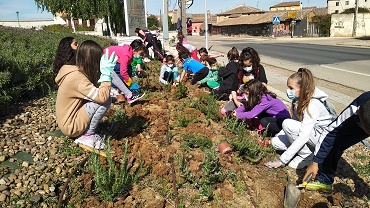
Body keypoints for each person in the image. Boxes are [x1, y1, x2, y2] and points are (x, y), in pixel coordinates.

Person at [265, 68, 334, 169]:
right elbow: (295, 123)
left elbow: (303, 135)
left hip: (321, 138)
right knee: (276, 143)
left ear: (303, 89)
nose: (288, 91)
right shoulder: (298, 101)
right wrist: (275, 137)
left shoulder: (312, 105)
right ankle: (305, 150)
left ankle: (307, 155)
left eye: (291, 88)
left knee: (287, 123)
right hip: (311, 135)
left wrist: (282, 160)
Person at [55, 40, 118, 149]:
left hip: (69, 119)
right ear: (92, 60)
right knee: (106, 99)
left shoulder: (75, 71)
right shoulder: (77, 78)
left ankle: (86, 131)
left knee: (104, 95)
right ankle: (87, 135)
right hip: (71, 126)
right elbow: (102, 97)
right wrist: (106, 75)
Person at [302, 92, 370, 191]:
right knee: (336, 141)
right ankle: (325, 179)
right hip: (358, 120)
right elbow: (330, 132)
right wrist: (315, 162)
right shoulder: (354, 110)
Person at [233, 80, 291, 144]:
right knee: (260, 113)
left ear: (254, 92)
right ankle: (264, 128)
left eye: (247, 93)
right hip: (275, 118)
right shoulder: (259, 97)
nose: (245, 95)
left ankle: (277, 133)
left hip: (283, 122)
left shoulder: (265, 99)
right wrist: (235, 111)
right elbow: (248, 106)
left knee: (264, 121)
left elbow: (251, 114)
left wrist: (237, 115)